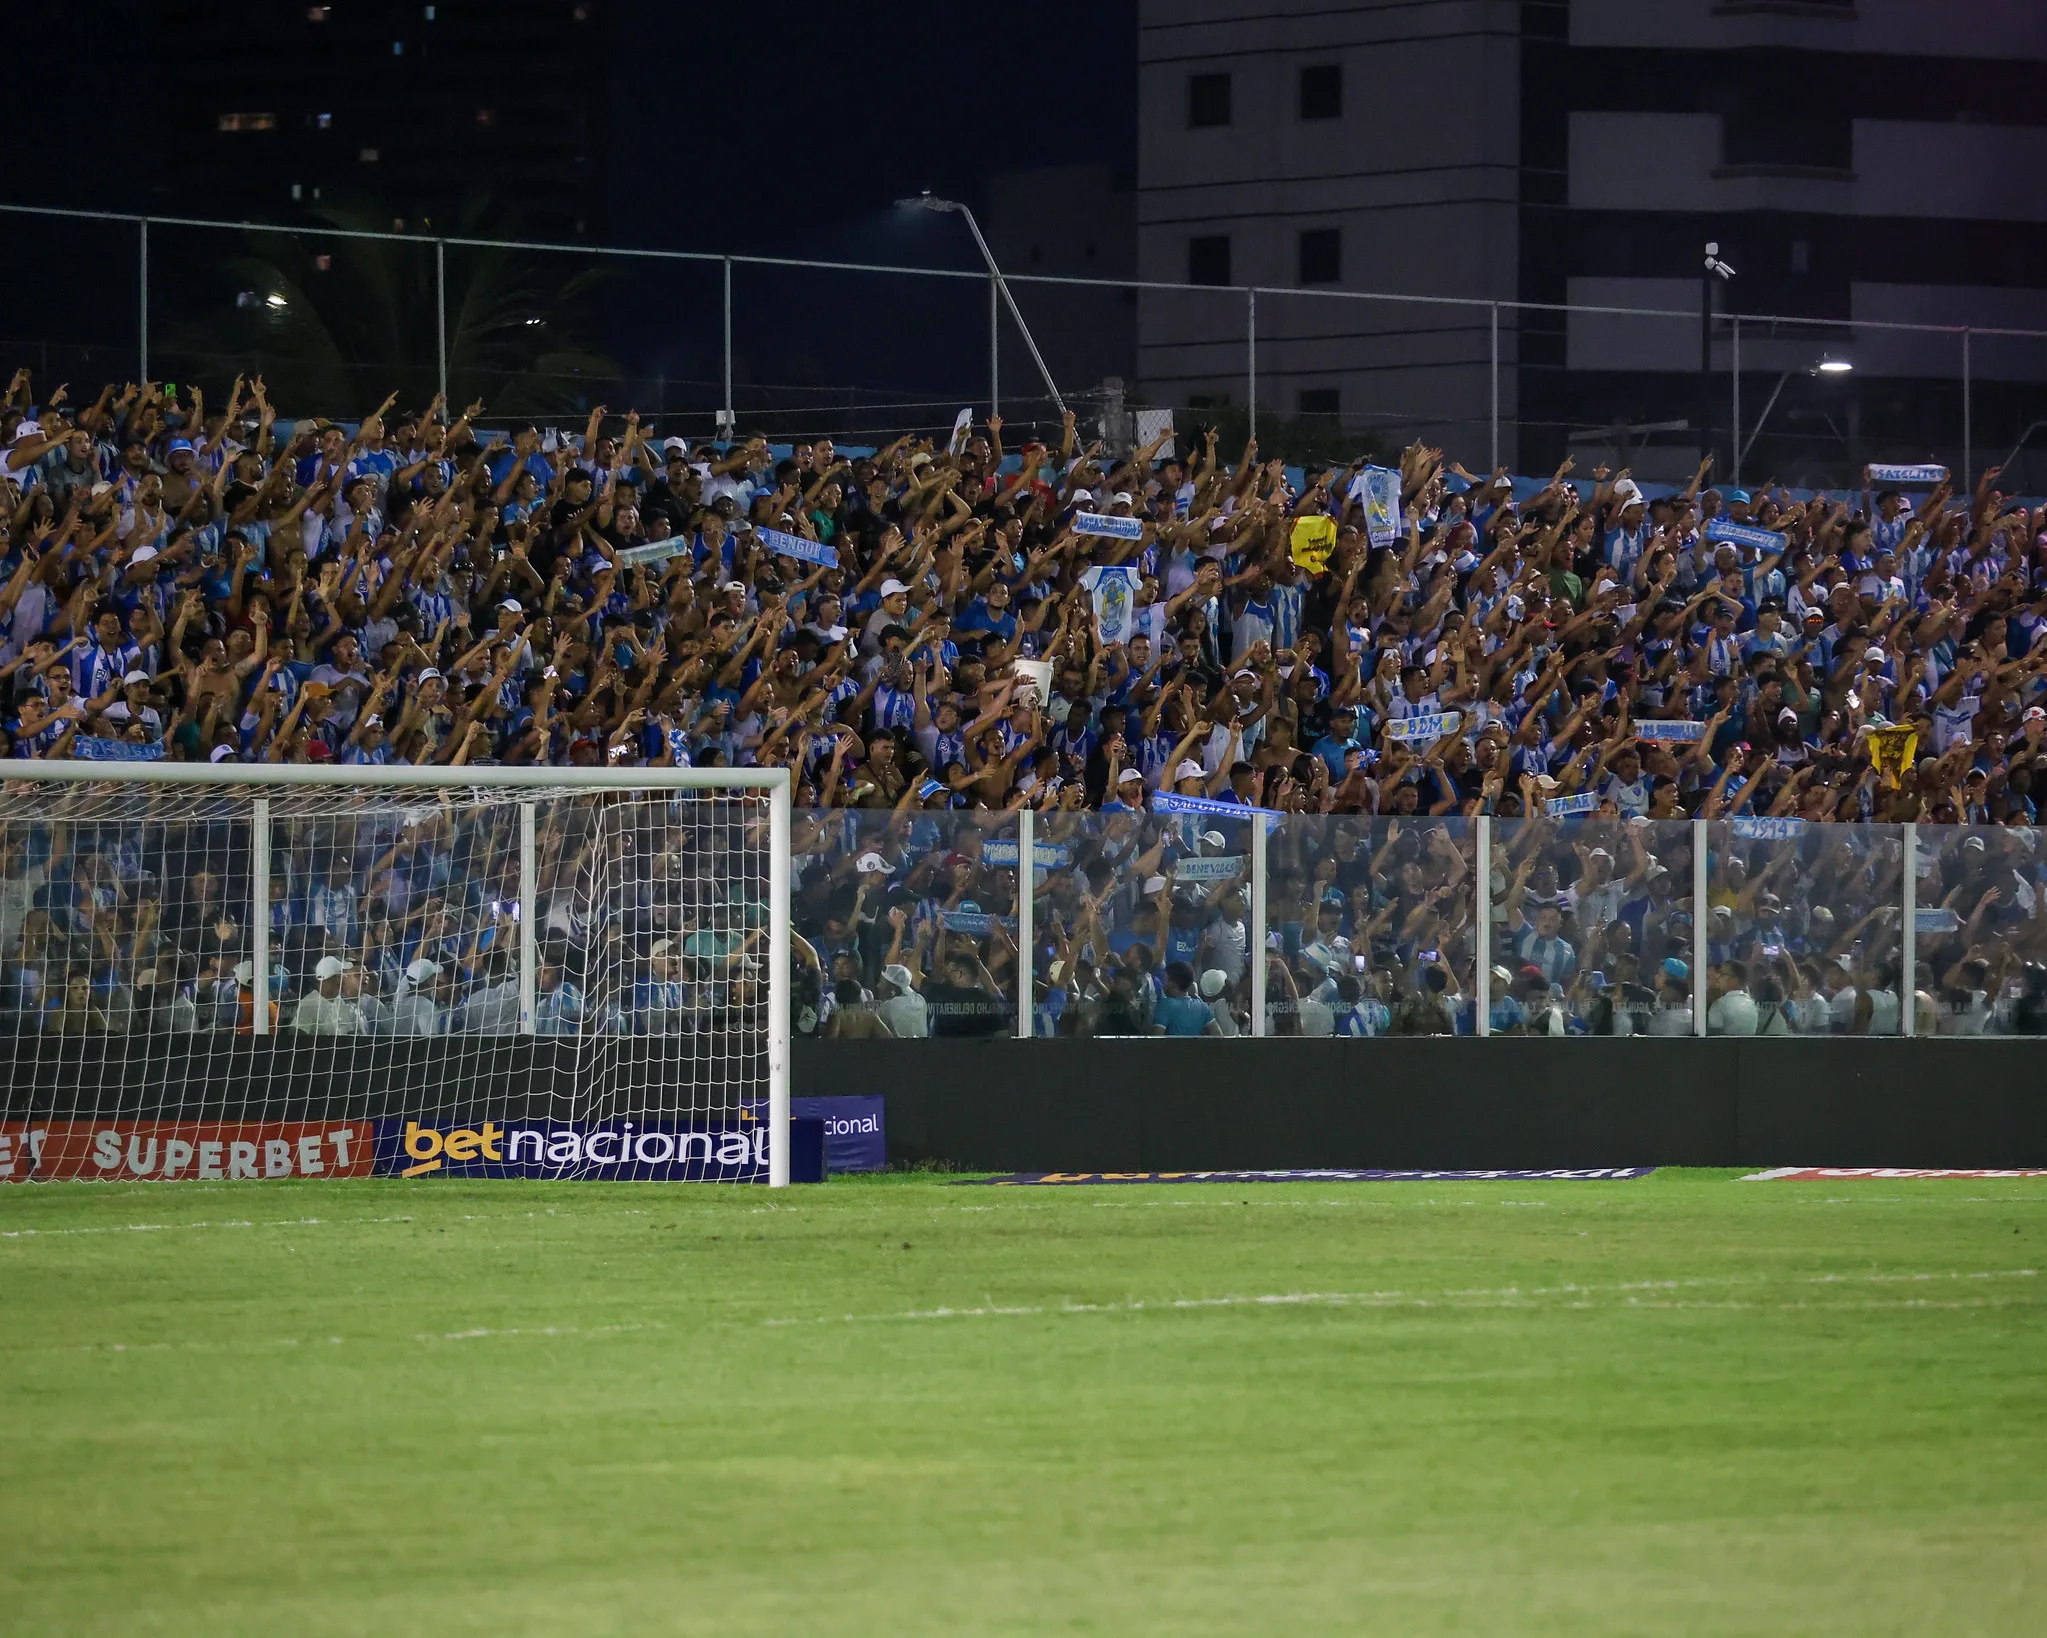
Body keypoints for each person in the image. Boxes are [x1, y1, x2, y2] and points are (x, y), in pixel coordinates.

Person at [292, 954, 366, 1035]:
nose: (340, 981)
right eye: (336, 977)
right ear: (323, 981)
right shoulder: (309, 1004)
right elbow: (297, 1034)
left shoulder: (339, 1000)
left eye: (341, 976)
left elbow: (349, 1031)